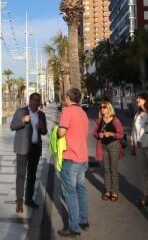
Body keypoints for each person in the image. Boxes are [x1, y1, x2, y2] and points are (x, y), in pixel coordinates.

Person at [57, 88, 89, 238]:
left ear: (69, 98)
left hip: (71, 158)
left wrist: (57, 131)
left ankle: (73, 227)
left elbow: (61, 132)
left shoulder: (67, 111)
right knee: (81, 189)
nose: (64, 99)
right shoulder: (83, 112)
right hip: (83, 157)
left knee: (71, 194)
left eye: (65, 97)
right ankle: (83, 220)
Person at [10, 93, 47, 213]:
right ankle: (19, 202)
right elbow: (12, 126)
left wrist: (42, 128)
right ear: (29, 101)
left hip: (35, 148)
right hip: (22, 148)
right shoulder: (21, 111)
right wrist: (22, 121)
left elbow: (45, 132)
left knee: (32, 175)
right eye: (34, 100)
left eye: (38, 100)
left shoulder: (41, 115)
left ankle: (29, 199)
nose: (36, 102)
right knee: (21, 175)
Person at [92, 100, 124, 202]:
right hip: (103, 146)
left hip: (113, 145)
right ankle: (107, 191)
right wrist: (99, 135)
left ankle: (114, 192)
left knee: (113, 169)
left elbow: (120, 134)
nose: (102, 109)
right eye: (100, 107)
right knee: (105, 169)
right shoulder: (98, 120)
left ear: (109, 108)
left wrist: (111, 134)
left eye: (104, 107)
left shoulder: (115, 120)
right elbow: (94, 133)